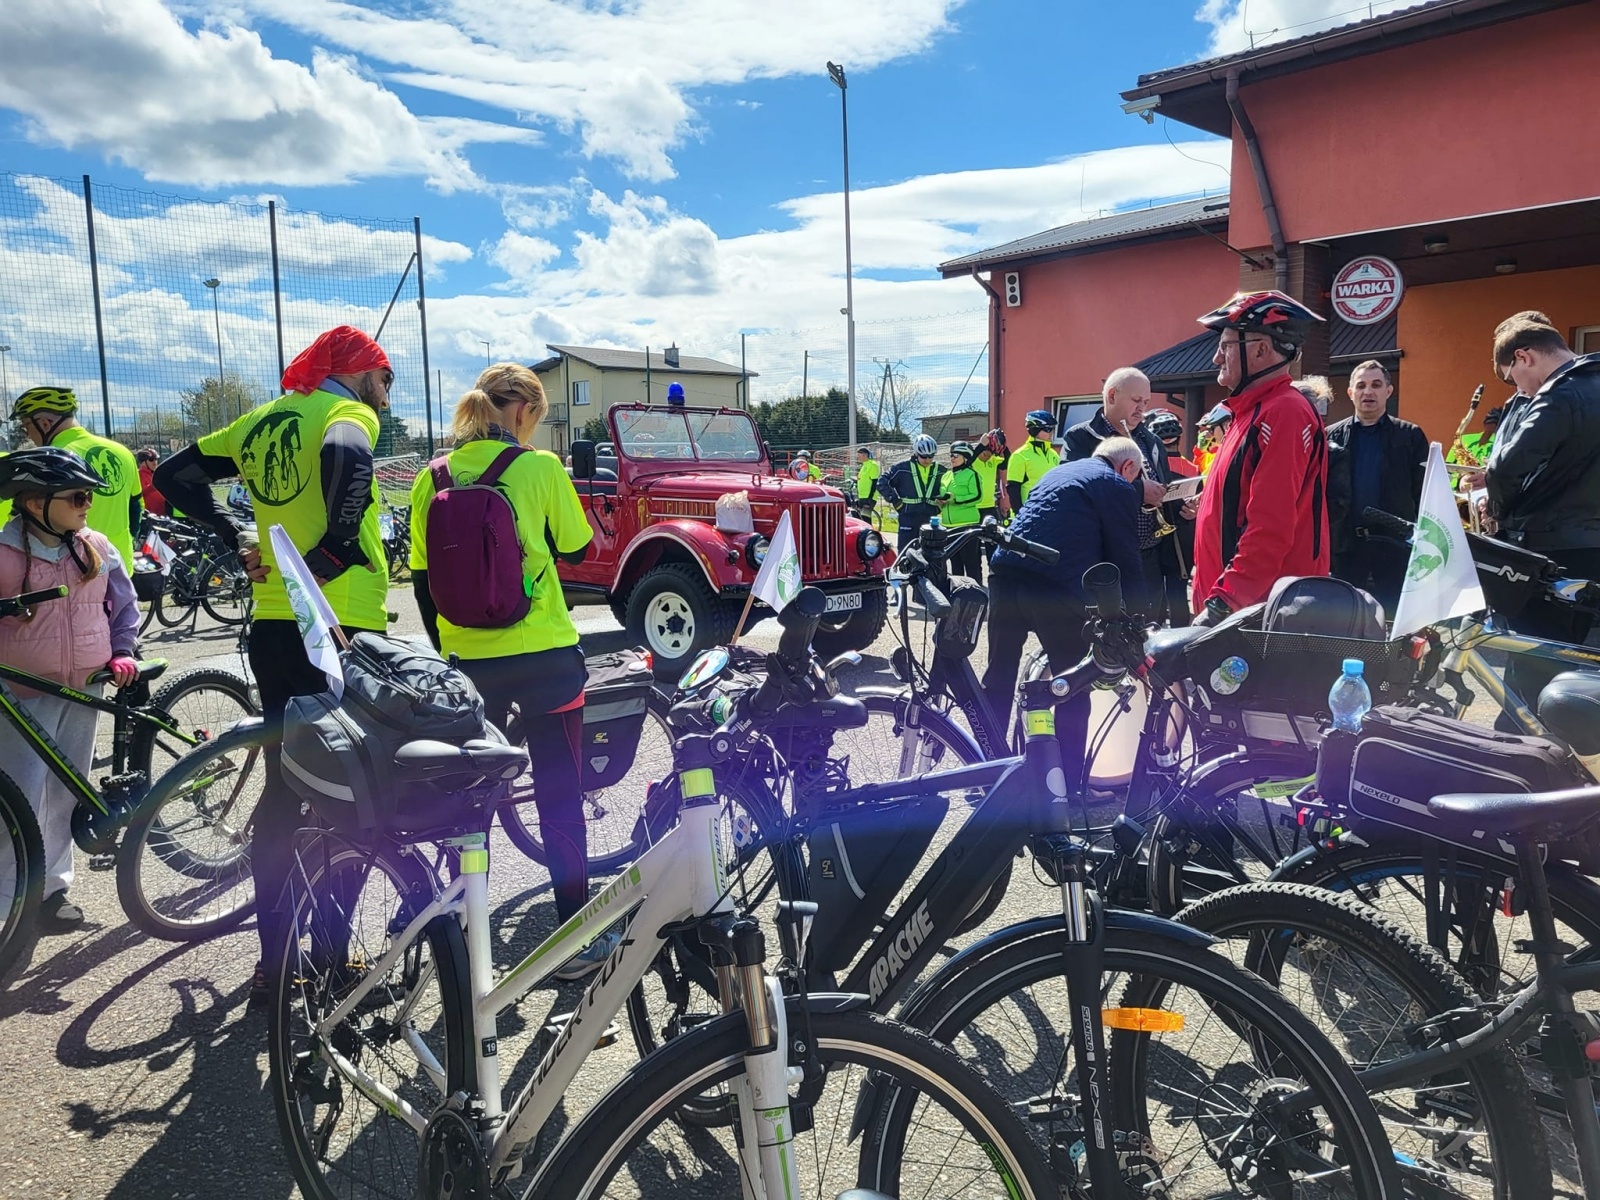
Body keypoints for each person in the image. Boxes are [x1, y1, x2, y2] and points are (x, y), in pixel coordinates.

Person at [154, 325, 392, 999]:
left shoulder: (260, 420)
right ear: (359, 370)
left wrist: (233, 534)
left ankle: (274, 959)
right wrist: (335, 552)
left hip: (275, 625)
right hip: (341, 627)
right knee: (349, 794)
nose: (385, 391)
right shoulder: (347, 413)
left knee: (285, 794)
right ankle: (334, 957)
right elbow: (350, 462)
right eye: (385, 377)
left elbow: (174, 476)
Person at [409, 364, 609, 978]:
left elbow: (422, 578)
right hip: (547, 655)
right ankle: (573, 938)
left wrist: (452, 649)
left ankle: (469, 941)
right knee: (559, 794)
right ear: (521, 410)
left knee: (467, 804)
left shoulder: (430, 478)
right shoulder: (541, 468)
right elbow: (578, 550)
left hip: (469, 666)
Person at [0, 448, 139, 927]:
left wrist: (122, 651)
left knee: (65, 791)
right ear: (36, 503)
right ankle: (10, 897)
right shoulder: (2, 555)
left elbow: (124, 606)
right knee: (18, 795)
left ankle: (53, 889)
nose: (87, 506)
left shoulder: (95, 545)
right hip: (22, 693)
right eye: (78, 497)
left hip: (85, 687)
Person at [981, 437, 1146, 776]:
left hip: (1006, 572)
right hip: (1053, 585)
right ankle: (1068, 781)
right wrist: (1140, 621)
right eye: (1137, 476)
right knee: (1071, 684)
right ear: (1127, 466)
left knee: (998, 674)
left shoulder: (1058, 473)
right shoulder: (1116, 485)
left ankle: (987, 769)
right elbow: (1124, 558)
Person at [1474, 314, 1600, 701]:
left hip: (1550, 547)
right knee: (1575, 659)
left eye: (1513, 377)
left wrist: (1494, 508)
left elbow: (1507, 467)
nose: (1520, 390)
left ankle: (1526, 748)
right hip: (1591, 545)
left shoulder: (1559, 393)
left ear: (1524, 357)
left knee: (1534, 658)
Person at [1190, 291, 1330, 626]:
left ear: (1261, 349)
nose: (1216, 358)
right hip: (1236, 603)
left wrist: (1225, 601)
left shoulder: (1283, 412)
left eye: (1225, 345)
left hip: (1255, 613)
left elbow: (1272, 524)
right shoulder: (1248, 412)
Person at [1063, 368, 1193, 626]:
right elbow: (1075, 490)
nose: (1142, 410)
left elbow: (1161, 485)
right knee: (1107, 638)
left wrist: (1184, 503)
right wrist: (1137, 491)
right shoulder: (1080, 437)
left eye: (1146, 402)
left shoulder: (1152, 440)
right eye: (1136, 401)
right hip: (1106, 559)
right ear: (1111, 396)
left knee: (1148, 633)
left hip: (1150, 556)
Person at [1325, 360, 1427, 615]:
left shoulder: (1410, 436)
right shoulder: (1330, 437)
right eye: (1361, 386)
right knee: (1345, 618)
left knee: (1393, 619)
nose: (1368, 392)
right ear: (1350, 393)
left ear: (1388, 391)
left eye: (1376, 385)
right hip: (1345, 548)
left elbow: (1423, 493)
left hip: (1394, 549)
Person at [10, 387, 141, 568]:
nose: (28, 434)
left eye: (27, 426)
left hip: (74, 570)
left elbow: (23, 522)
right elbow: (136, 508)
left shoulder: (47, 459)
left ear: (44, 423)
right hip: (120, 563)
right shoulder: (123, 452)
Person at [1144, 408, 1195, 626]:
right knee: (1178, 590)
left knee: (1154, 593)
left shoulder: (1150, 469)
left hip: (1155, 536)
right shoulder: (1193, 467)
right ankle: (1180, 635)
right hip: (1183, 537)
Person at [881, 435, 945, 554]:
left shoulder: (941, 470)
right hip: (908, 517)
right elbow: (882, 482)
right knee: (906, 553)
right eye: (923, 456)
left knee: (931, 554)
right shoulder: (901, 468)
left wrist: (944, 499)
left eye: (931, 456)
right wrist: (895, 500)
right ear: (916, 453)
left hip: (930, 517)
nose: (927, 460)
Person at [939, 441, 984, 580]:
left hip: (967, 524)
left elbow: (977, 496)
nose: (952, 458)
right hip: (948, 525)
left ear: (966, 457)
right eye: (951, 455)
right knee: (955, 562)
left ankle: (976, 593)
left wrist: (956, 499)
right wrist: (940, 501)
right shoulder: (946, 475)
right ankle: (959, 594)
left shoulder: (972, 474)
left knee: (971, 562)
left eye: (956, 455)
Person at [1005, 410, 1059, 508]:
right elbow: (1013, 488)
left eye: (1052, 429)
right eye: (1047, 429)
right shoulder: (1020, 455)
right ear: (1035, 430)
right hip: (1029, 512)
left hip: (1051, 510)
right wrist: (1019, 514)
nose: (1051, 432)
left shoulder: (1054, 454)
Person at [974, 430, 1007, 524]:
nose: (988, 457)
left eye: (991, 454)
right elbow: (969, 459)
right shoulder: (972, 460)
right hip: (974, 507)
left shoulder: (993, 460)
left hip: (990, 506)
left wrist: (1003, 445)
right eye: (985, 454)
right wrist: (981, 445)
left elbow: (1006, 464)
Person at [135, 447, 168, 517]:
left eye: (156, 459)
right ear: (143, 462)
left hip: (162, 514)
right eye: (151, 459)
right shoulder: (139, 475)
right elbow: (140, 492)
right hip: (149, 516)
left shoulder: (155, 474)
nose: (155, 462)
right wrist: (154, 485)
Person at [853, 446, 880, 520]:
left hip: (869, 497)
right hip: (862, 496)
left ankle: (870, 531)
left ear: (865, 455)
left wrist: (870, 498)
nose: (857, 457)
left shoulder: (872, 465)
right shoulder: (864, 465)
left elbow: (875, 482)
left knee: (866, 519)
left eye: (859, 455)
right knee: (861, 519)